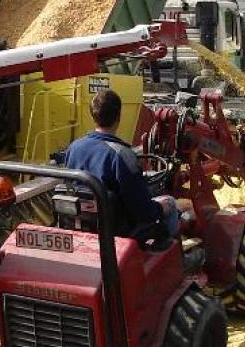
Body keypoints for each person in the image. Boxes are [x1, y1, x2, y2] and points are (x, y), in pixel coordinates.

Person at [65, 89, 182, 238]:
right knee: (170, 202)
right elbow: (143, 211)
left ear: (93, 115)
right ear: (119, 117)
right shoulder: (122, 155)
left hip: (85, 221)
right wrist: (160, 208)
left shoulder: (74, 147)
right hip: (119, 228)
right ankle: (176, 254)